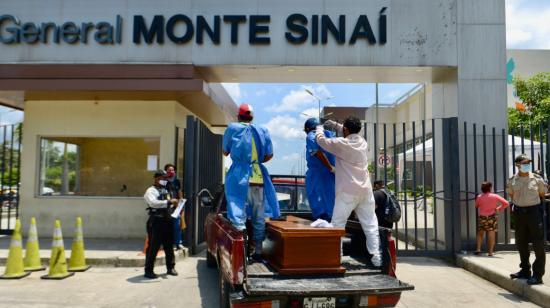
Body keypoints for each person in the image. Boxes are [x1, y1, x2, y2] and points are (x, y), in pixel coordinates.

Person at [316, 117, 381, 267]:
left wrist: (319, 127)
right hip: (365, 191)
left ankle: (336, 258)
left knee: (338, 225)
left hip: (347, 192)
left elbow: (321, 141)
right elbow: (348, 131)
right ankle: (377, 259)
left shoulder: (341, 144)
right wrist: (337, 125)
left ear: (345, 129)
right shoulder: (363, 143)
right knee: (370, 225)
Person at [223, 103, 280, 261]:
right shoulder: (262, 130)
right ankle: (258, 252)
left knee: (237, 212)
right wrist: (256, 160)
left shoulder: (232, 128)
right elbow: (269, 155)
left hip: (239, 178)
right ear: (252, 117)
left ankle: (240, 251)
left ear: (238, 116)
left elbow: (225, 151)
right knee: (258, 217)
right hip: (257, 178)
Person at [507, 154, 547, 285]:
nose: (527, 165)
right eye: (524, 163)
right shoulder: (512, 180)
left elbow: (542, 194)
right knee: (521, 243)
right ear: (517, 165)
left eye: (528, 163)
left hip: (534, 213)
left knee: (538, 244)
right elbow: (511, 195)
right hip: (519, 214)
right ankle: (525, 270)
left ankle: (537, 275)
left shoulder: (537, 179)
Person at [143, 170, 179, 279]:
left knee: (169, 245)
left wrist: (176, 205)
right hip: (156, 221)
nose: (165, 180)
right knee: (154, 246)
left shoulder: (165, 190)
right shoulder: (151, 190)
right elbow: (153, 203)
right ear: (157, 178)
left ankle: (170, 267)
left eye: (166, 178)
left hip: (167, 220)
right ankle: (148, 270)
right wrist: (168, 202)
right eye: (163, 178)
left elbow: (168, 203)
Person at [304, 118, 336, 222]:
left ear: (308, 128)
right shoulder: (330, 135)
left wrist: (329, 167)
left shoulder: (311, 136)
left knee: (317, 198)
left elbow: (317, 153)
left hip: (318, 173)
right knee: (330, 199)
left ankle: (322, 222)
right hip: (331, 174)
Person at [474, 181, 509, 256]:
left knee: (480, 233)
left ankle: (478, 249)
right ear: (490, 188)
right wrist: (498, 209)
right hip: (492, 217)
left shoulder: (479, 197)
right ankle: (490, 252)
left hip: (482, 217)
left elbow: (476, 206)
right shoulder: (495, 196)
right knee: (491, 234)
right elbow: (506, 203)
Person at [373, 180, 394, 272]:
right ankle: (387, 264)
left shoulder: (377, 193)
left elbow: (373, 207)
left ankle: (381, 265)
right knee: (386, 244)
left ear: (377, 185)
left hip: (380, 222)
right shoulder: (389, 192)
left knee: (380, 244)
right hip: (389, 222)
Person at [164, 163, 185, 250]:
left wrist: (181, 204)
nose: (171, 172)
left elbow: (180, 193)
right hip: (167, 206)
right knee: (168, 226)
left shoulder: (177, 181)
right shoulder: (163, 181)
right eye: (169, 170)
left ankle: (178, 243)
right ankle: (170, 244)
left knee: (177, 225)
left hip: (176, 207)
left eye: (172, 170)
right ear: (166, 172)